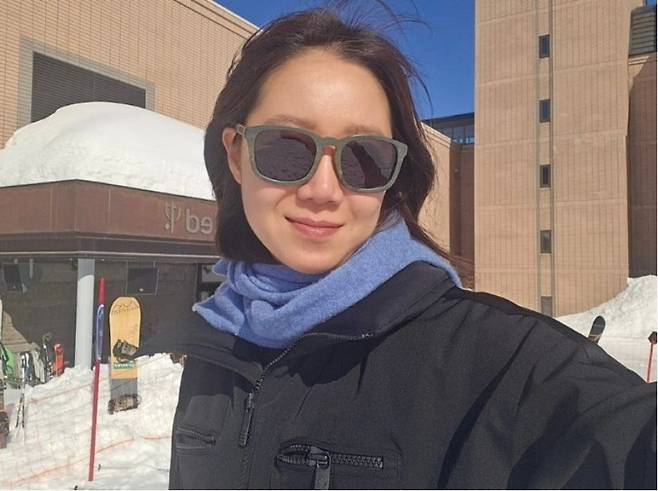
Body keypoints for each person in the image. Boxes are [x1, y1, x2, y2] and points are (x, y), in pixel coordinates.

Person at [140, 6, 657, 489]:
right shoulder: (218, 342)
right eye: (287, 148)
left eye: (363, 158)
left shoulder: (490, 358)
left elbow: (620, 434)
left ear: (392, 177)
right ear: (236, 155)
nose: (323, 190)